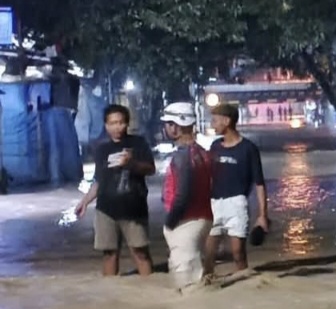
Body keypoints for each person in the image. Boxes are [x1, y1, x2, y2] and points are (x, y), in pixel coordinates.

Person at [75, 104, 156, 276]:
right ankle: (110, 289)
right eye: (112, 123)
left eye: (120, 122)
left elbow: (150, 169)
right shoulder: (102, 149)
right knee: (109, 254)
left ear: (127, 123)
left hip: (134, 208)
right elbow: (99, 181)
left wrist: (131, 163)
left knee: (140, 252)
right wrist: (84, 202)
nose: (117, 127)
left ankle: (149, 287)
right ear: (106, 125)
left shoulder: (138, 143)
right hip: (106, 209)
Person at [203, 103, 269, 276]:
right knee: (208, 253)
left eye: (215, 120)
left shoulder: (248, 149)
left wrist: (262, 215)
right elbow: (208, 177)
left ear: (227, 121)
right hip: (214, 204)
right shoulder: (215, 146)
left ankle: (243, 283)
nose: (212, 124)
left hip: (237, 204)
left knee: (238, 253)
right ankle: (207, 282)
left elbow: (259, 183)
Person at [160, 102, 213, 289]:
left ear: (175, 127)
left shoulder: (182, 156)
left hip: (185, 221)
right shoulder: (201, 152)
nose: (166, 128)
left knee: (185, 281)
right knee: (196, 276)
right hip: (203, 217)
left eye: (168, 124)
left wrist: (170, 222)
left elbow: (183, 194)